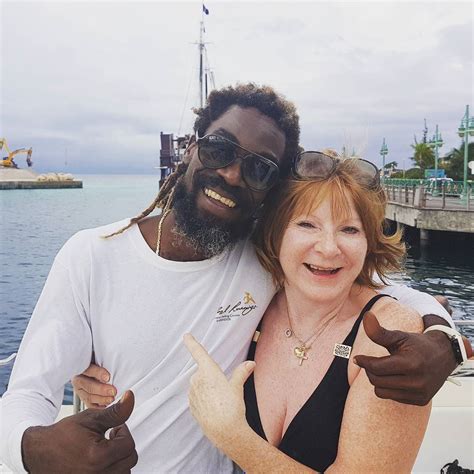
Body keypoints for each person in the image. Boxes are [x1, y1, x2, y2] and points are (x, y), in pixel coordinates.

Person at [0, 84, 466, 473]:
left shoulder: (261, 259)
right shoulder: (91, 256)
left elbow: (374, 288)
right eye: (219, 148)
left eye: (260, 168)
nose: (230, 173)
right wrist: (32, 448)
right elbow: (30, 390)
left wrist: (441, 336)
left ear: (271, 189)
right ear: (191, 148)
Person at [183, 152, 431, 472]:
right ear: (276, 232)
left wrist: (232, 436)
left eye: (350, 230)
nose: (329, 248)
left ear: (369, 241)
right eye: (307, 224)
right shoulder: (252, 308)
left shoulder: (386, 335)